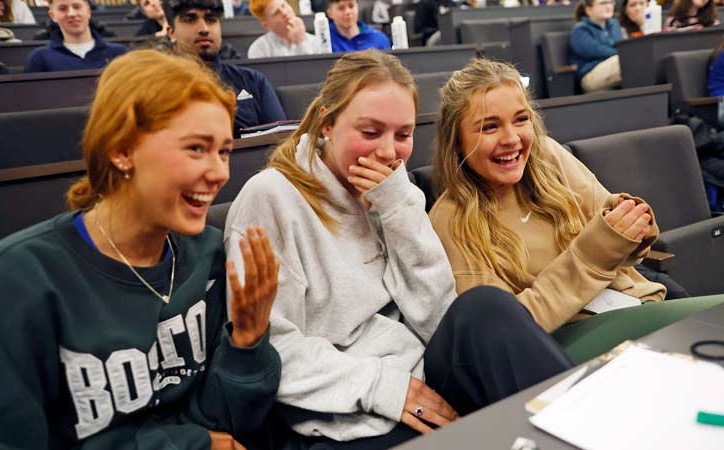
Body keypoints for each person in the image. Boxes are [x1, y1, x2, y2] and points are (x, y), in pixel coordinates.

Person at [224, 49, 573, 449]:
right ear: (327, 123)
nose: (389, 153)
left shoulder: (395, 189)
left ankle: (589, 429)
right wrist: (383, 388)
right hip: (341, 412)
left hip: (422, 378)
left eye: (403, 135)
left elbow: (436, 315)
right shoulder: (270, 198)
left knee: (485, 307)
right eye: (370, 133)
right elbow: (271, 347)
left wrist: (398, 209)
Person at [0, 49, 282, 449]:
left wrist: (247, 340)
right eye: (196, 148)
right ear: (122, 150)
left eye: (224, 150)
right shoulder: (15, 280)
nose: (220, 172)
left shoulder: (206, 255)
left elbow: (227, 422)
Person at [429, 57, 724, 364]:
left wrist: (633, 226)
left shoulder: (547, 157)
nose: (512, 139)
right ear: (458, 142)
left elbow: (624, 249)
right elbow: (507, 334)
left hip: (634, 301)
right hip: (564, 339)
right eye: (489, 127)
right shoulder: (451, 219)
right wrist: (595, 251)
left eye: (521, 119)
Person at [163, 0, 286, 136]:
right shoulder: (157, 89)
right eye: (190, 20)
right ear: (171, 32)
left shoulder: (253, 81)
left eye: (211, 20)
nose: (204, 28)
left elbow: (282, 144)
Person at [25, 0, 127, 72]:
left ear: (88, 11)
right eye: (63, 8)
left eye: (77, 7)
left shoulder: (118, 53)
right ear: (53, 16)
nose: (72, 14)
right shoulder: (40, 57)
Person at [569, 0, 623, 92]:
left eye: (611, 2)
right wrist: (624, 53)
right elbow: (597, 52)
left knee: (631, 60)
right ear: (589, 10)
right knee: (627, 60)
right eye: (603, 3)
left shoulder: (614, 24)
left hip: (614, 66)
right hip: (590, 75)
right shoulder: (580, 29)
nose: (609, 6)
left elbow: (620, 46)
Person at [247, 0, 320, 58]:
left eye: (283, 5)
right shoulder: (259, 49)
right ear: (266, 25)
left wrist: (300, 43)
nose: (284, 13)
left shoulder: (315, 41)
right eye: (276, 13)